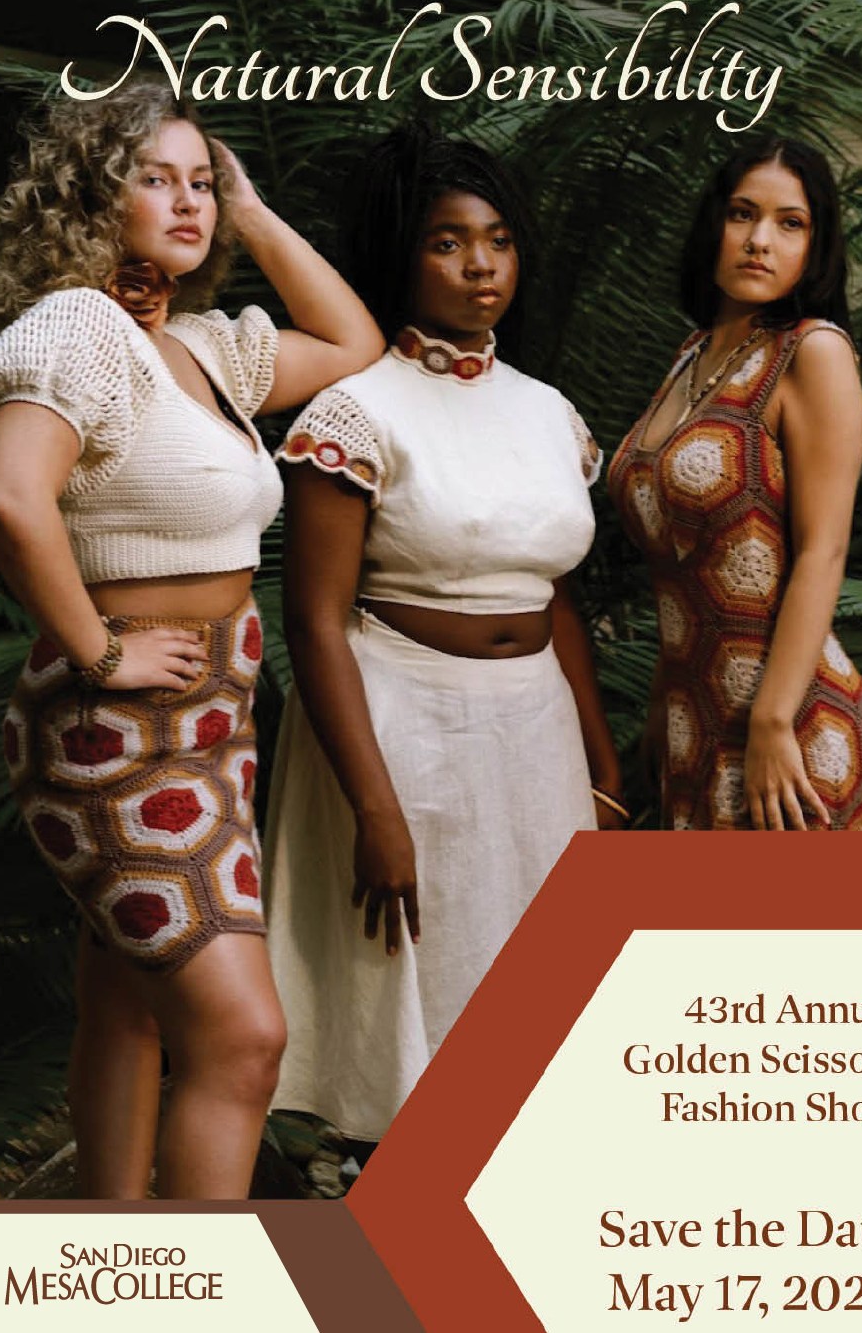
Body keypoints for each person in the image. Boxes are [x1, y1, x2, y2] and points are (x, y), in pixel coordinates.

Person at [0, 81, 382, 1197]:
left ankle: (114, 1245)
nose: (190, 204)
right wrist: (103, 650)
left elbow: (352, 342)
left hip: (212, 722)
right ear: (95, 195)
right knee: (241, 1038)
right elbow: (8, 494)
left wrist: (251, 207)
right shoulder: (81, 327)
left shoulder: (198, 348)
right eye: (159, 179)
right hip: (115, 730)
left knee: (132, 1008)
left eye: (204, 183)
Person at [263, 126, 623, 1144]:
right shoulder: (355, 412)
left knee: (530, 1008)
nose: (481, 266)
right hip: (402, 720)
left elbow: (556, 599)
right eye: (449, 242)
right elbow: (313, 622)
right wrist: (375, 808)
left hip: (535, 731)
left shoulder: (549, 412)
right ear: (399, 254)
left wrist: (599, 764)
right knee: (408, 1009)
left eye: (499, 240)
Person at [607, 135, 862, 831]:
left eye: (789, 223)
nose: (760, 239)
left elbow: (824, 551)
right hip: (689, 719)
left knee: (808, 943)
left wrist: (770, 722)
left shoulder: (812, 353)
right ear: (714, 225)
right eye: (742, 214)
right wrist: (663, 703)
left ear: (815, 245)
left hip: (793, 724)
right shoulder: (690, 356)